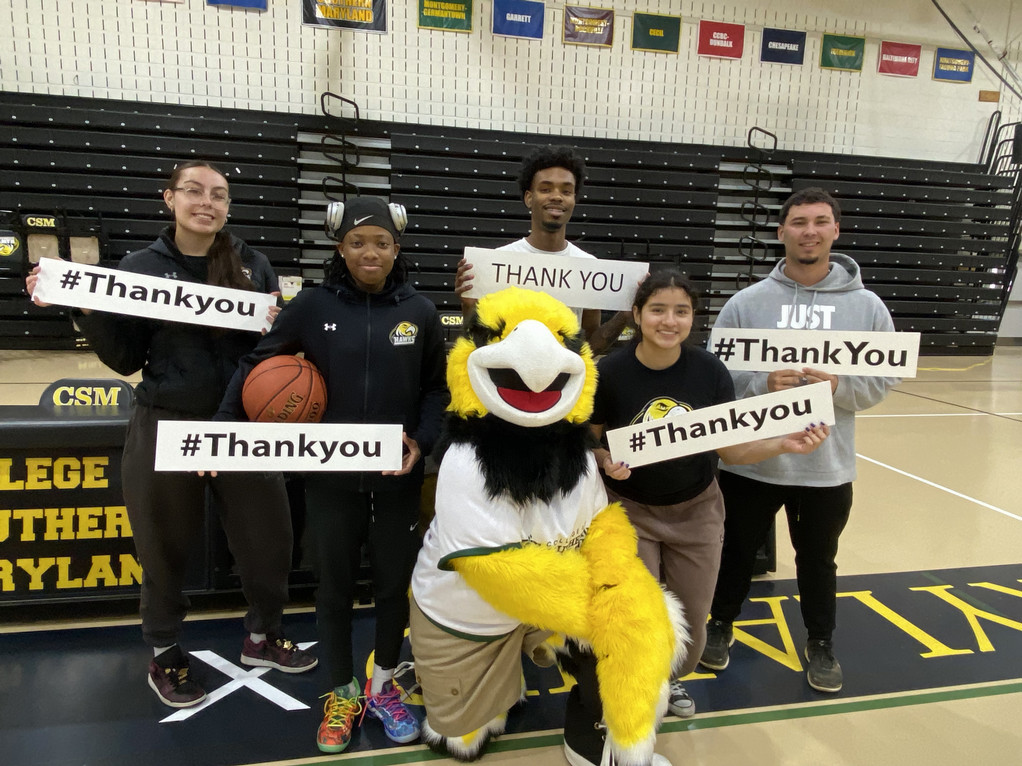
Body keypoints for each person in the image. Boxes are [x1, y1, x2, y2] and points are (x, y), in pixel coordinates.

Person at [25, 160, 317, 709]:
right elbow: (125, 356)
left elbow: (268, 353)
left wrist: (283, 333)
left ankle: (262, 635)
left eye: (219, 195)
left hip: (243, 426)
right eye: (193, 191)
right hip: (165, 420)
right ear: (170, 199)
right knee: (162, 547)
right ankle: (164, 650)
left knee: (269, 538)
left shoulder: (253, 265)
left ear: (228, 206)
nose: (206, 202)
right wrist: (86, 306)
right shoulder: (138, 266)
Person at [215, 196, 449, 754]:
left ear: (397, 248)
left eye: (382, 243)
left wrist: (423, 440)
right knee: (335, 589)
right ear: (339, 247)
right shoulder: (312, 305)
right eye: (358, 242)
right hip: (329, 481)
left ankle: (384, 686)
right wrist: (225, 427)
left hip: (396, 479)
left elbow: (438, 389)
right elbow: (256, 365)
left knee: (395, 588)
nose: (371, 253)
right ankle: (342, 692)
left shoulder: (419, 311)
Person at [589, 268, 829, 720]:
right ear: (637, 314)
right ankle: (635, 692)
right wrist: (604, 461)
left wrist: (784, 443)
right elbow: (592, 437)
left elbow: (732, 451)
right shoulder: (612, 372)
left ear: (692, 318)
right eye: (657, 309)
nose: (669, 320)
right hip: (630, 510)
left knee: (692, 621)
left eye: (681, 311)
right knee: (639, 613)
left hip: (697, 510)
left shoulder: (710, 371)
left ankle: (669, 678)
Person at [701, 188, 899, 693]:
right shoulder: (747, 303)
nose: (809, 230)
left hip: (826, 465)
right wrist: (760, 384)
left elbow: (879, 384)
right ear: (781, 232)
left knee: (818, 559)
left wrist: (840, 387)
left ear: (835, 230)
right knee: (735, 552)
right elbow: (717, 376)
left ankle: (821, 640)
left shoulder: (868, 307)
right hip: (752, 461)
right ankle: (719, 625)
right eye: (798, 222)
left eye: (820, 221)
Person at [454, 145, 629, 354]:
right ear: (529, 198)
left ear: (574, 199)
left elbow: (589, 346)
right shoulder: (499, 262)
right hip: (510, 381)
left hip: (563, 384)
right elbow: (479, 341)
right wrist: (468, 306)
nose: (557, 196)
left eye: (566, 191)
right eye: (546, 189)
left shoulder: (588, 266)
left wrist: (627, 312)